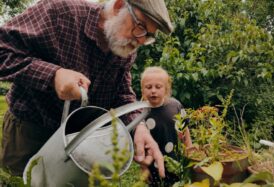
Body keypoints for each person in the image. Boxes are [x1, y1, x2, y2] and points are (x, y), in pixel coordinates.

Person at [0, 0, 174, 177]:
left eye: (149, 36)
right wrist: (53, 75)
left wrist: (139, 127)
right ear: (119, 6)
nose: (141, 40)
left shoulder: (125, 46)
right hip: (30, 133)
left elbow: (121, 94)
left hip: (80, 141)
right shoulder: (60, 13)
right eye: (140, 26)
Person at [140, 66, 192, 186]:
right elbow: (141, 146)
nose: (153, 91)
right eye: (148, 87)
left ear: (166, 89)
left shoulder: (175, 106)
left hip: (176, 161)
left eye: (158, 87)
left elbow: (185, 130)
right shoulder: (140, 112)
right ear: (142, 90)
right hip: (153, 165)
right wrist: (143, 167)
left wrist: (189, 150)